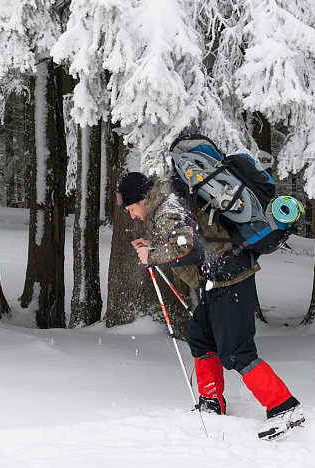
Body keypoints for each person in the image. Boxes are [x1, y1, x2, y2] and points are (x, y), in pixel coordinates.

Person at [116, 170, 304, 440]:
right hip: (217, 279)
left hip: (230, 277)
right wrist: (152, 246)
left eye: (131, 208)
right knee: (201, 337)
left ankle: (284, 406)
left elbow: (186, 246)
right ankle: (211, 404)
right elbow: (188, 236)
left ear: (142, 199)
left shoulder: (168, 205)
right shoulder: (167, 202)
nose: (132, 215)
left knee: (237, 351)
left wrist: (152, 254)